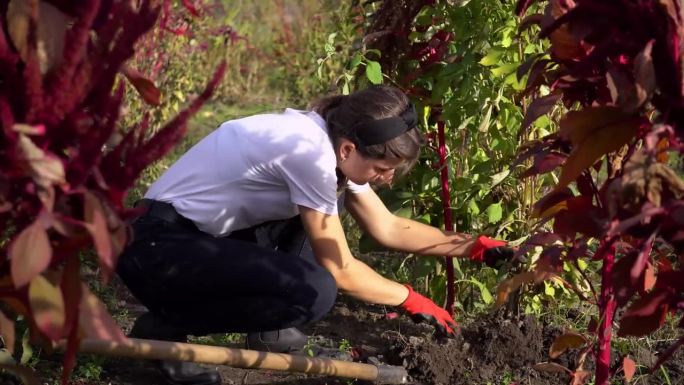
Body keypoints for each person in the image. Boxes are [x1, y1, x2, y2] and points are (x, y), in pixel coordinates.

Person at [116, 85, 513, 385]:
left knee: (332, 209)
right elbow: (341, 271)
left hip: (188, 243)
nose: (386, 179)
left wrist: (473, 247)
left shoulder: (330, 143)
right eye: (381, 168)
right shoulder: (307, 154)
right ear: (347, 149)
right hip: (157, 251)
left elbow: (386, 226)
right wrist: (411, 299)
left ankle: (266, 330)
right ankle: (163, 331)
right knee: (316, 290)